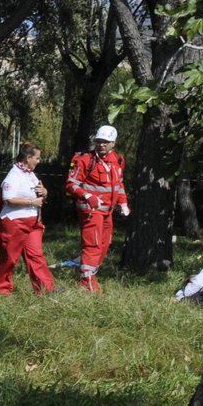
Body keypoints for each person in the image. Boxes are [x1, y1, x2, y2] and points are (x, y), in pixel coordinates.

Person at [64, 125, 130, 292]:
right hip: (90, 210)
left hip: (108, 211)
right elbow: (71, 184)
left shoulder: (118, 160)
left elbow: (118, 185)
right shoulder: (85, 160)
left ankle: (90, 274)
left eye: (105, 142)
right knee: (92, 244)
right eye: (99, 141)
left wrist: (123, 203)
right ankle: (87, 283)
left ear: (113, 143)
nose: (101, 145)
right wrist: (87, 196)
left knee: (104, 244)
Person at [0, 142, 55, 296]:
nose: (39, 161)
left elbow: (38, 193)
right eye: (37, 158)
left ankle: (46, 289)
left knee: (36, 255)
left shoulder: (30, 174)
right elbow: (8, 199)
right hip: (14, 223)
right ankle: (1, 289)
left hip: (33, 222)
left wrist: (44, 192)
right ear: (28, 158)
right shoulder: (14, 175)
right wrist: (32, 202)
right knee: (10, 257)